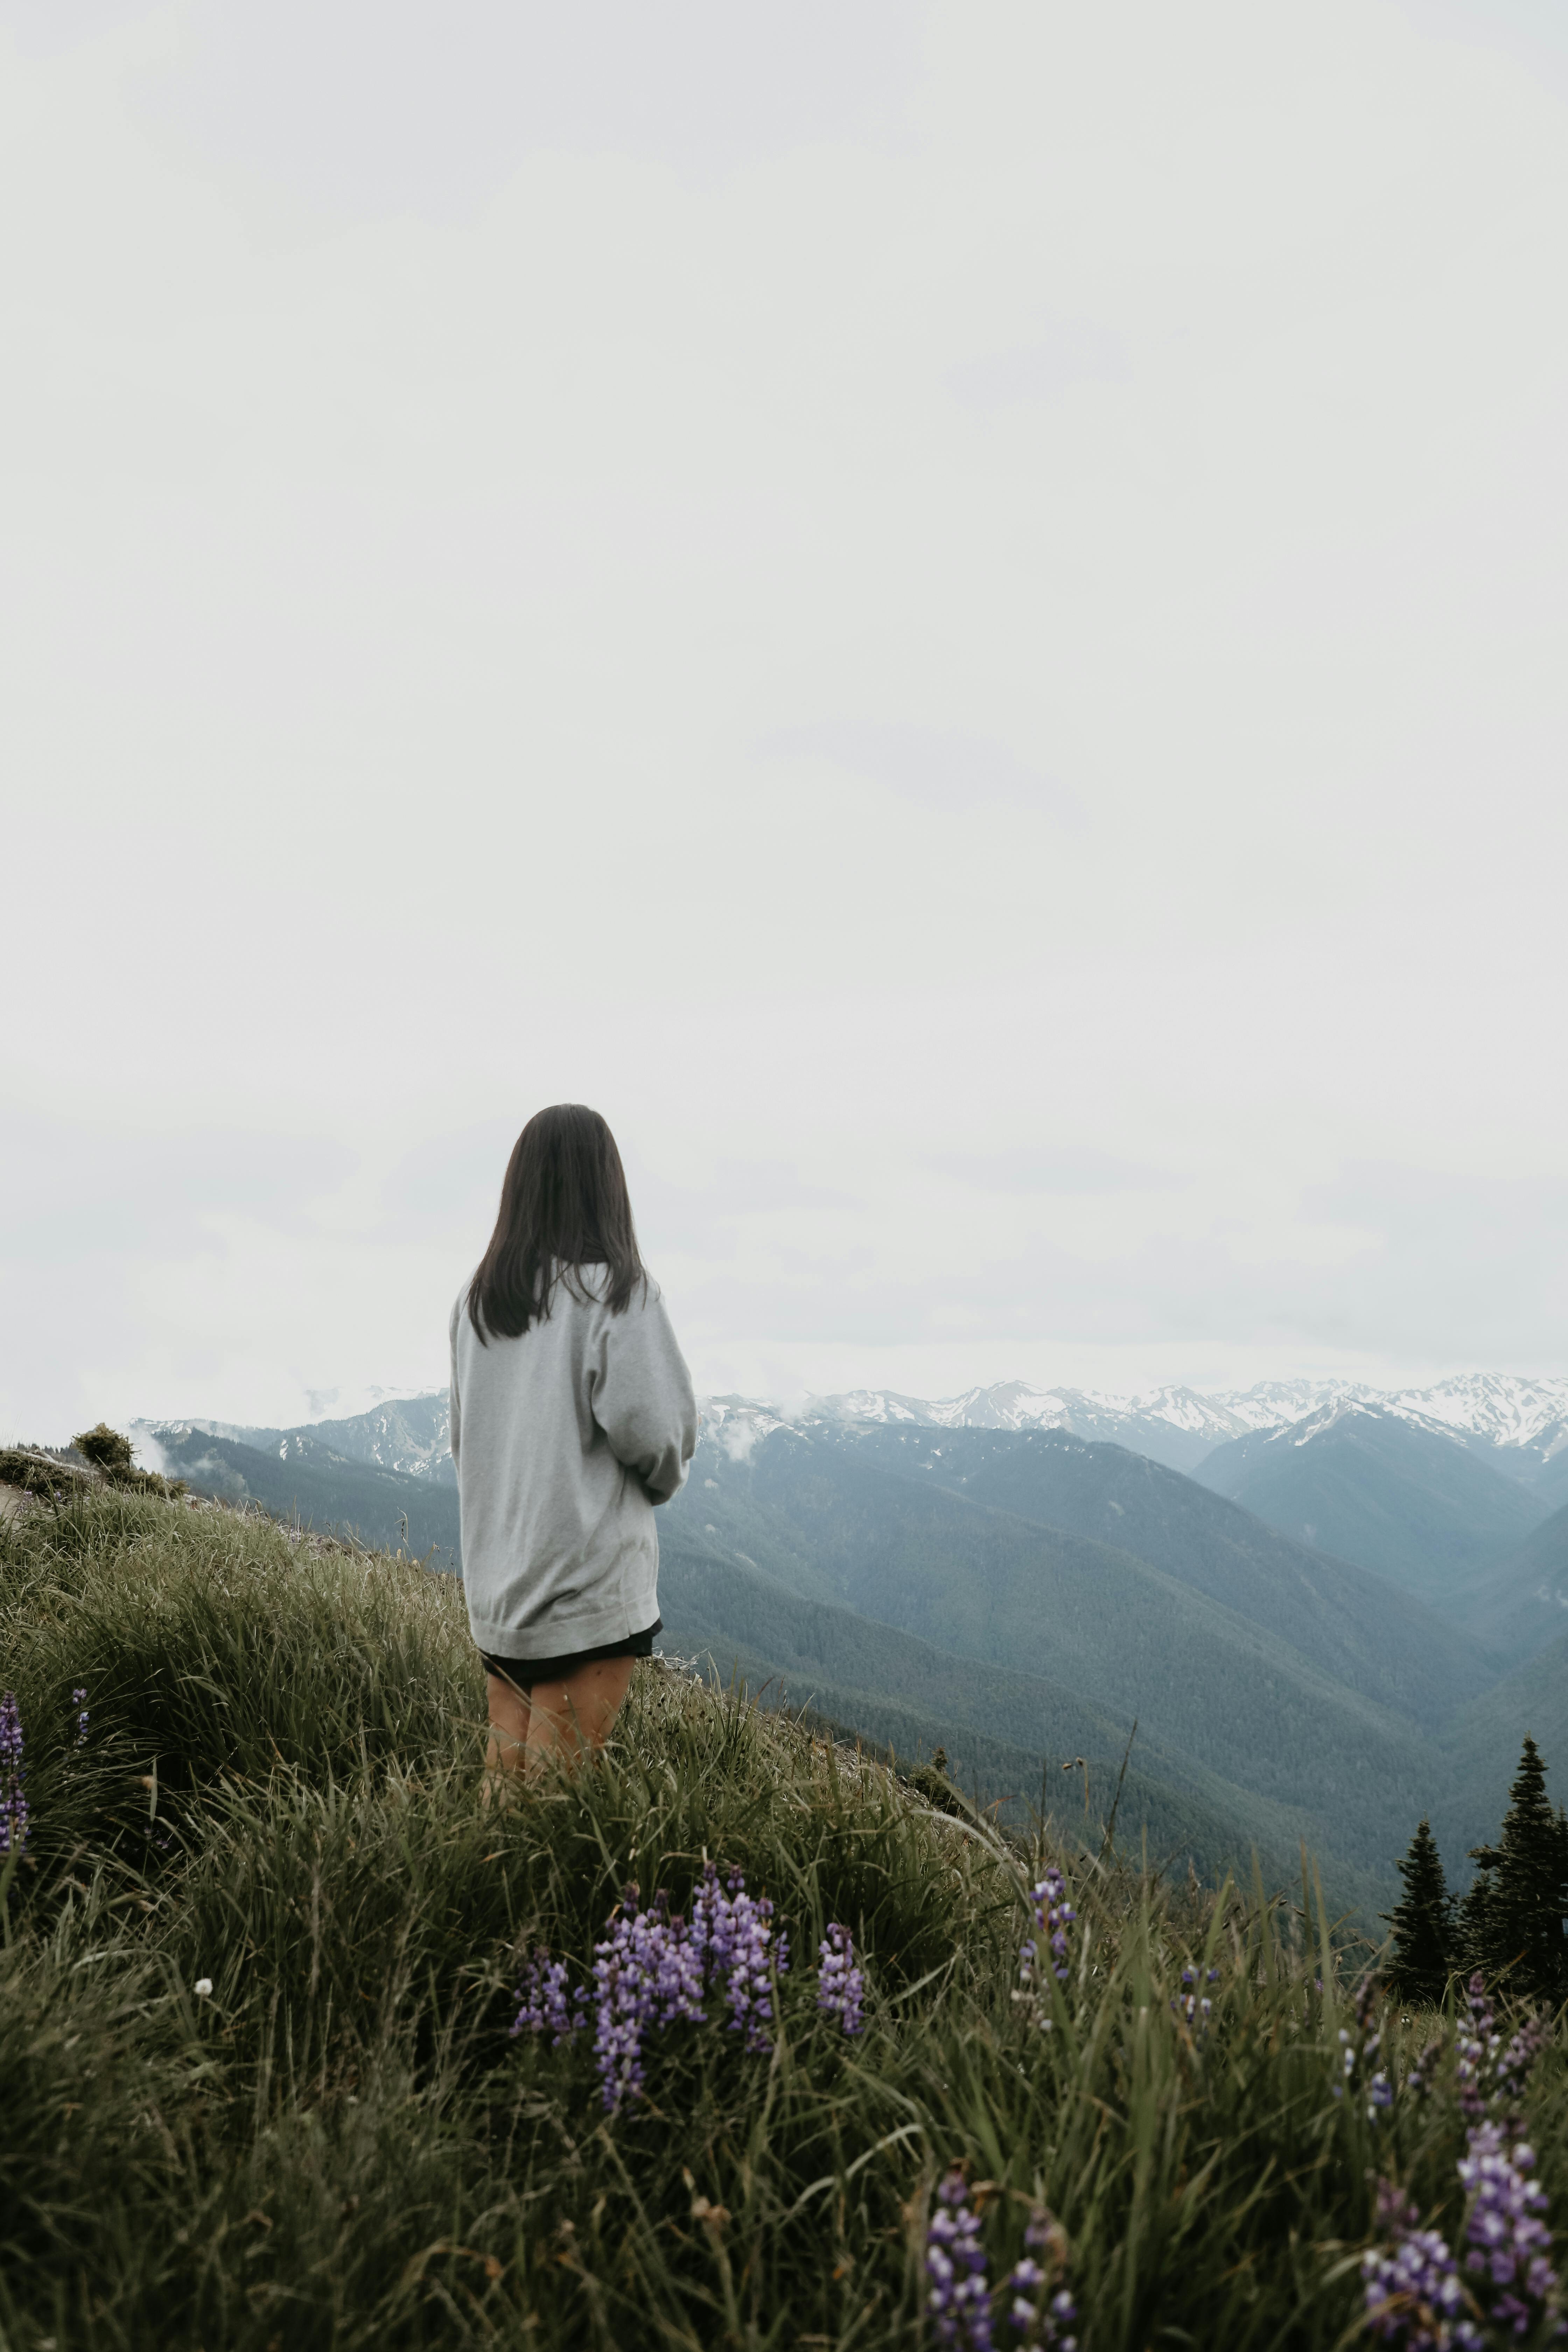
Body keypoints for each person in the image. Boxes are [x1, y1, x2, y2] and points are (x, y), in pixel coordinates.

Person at [448, 1104, 697, 1790]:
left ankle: (478, 1898)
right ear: (605, 1187)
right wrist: (659, 1481)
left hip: (501, 1584)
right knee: (558, 1800)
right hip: (585, 1583)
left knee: (506, 1786)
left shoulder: (476, 1306)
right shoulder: (619, 1296)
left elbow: (463, 1441)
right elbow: (660, 1438)